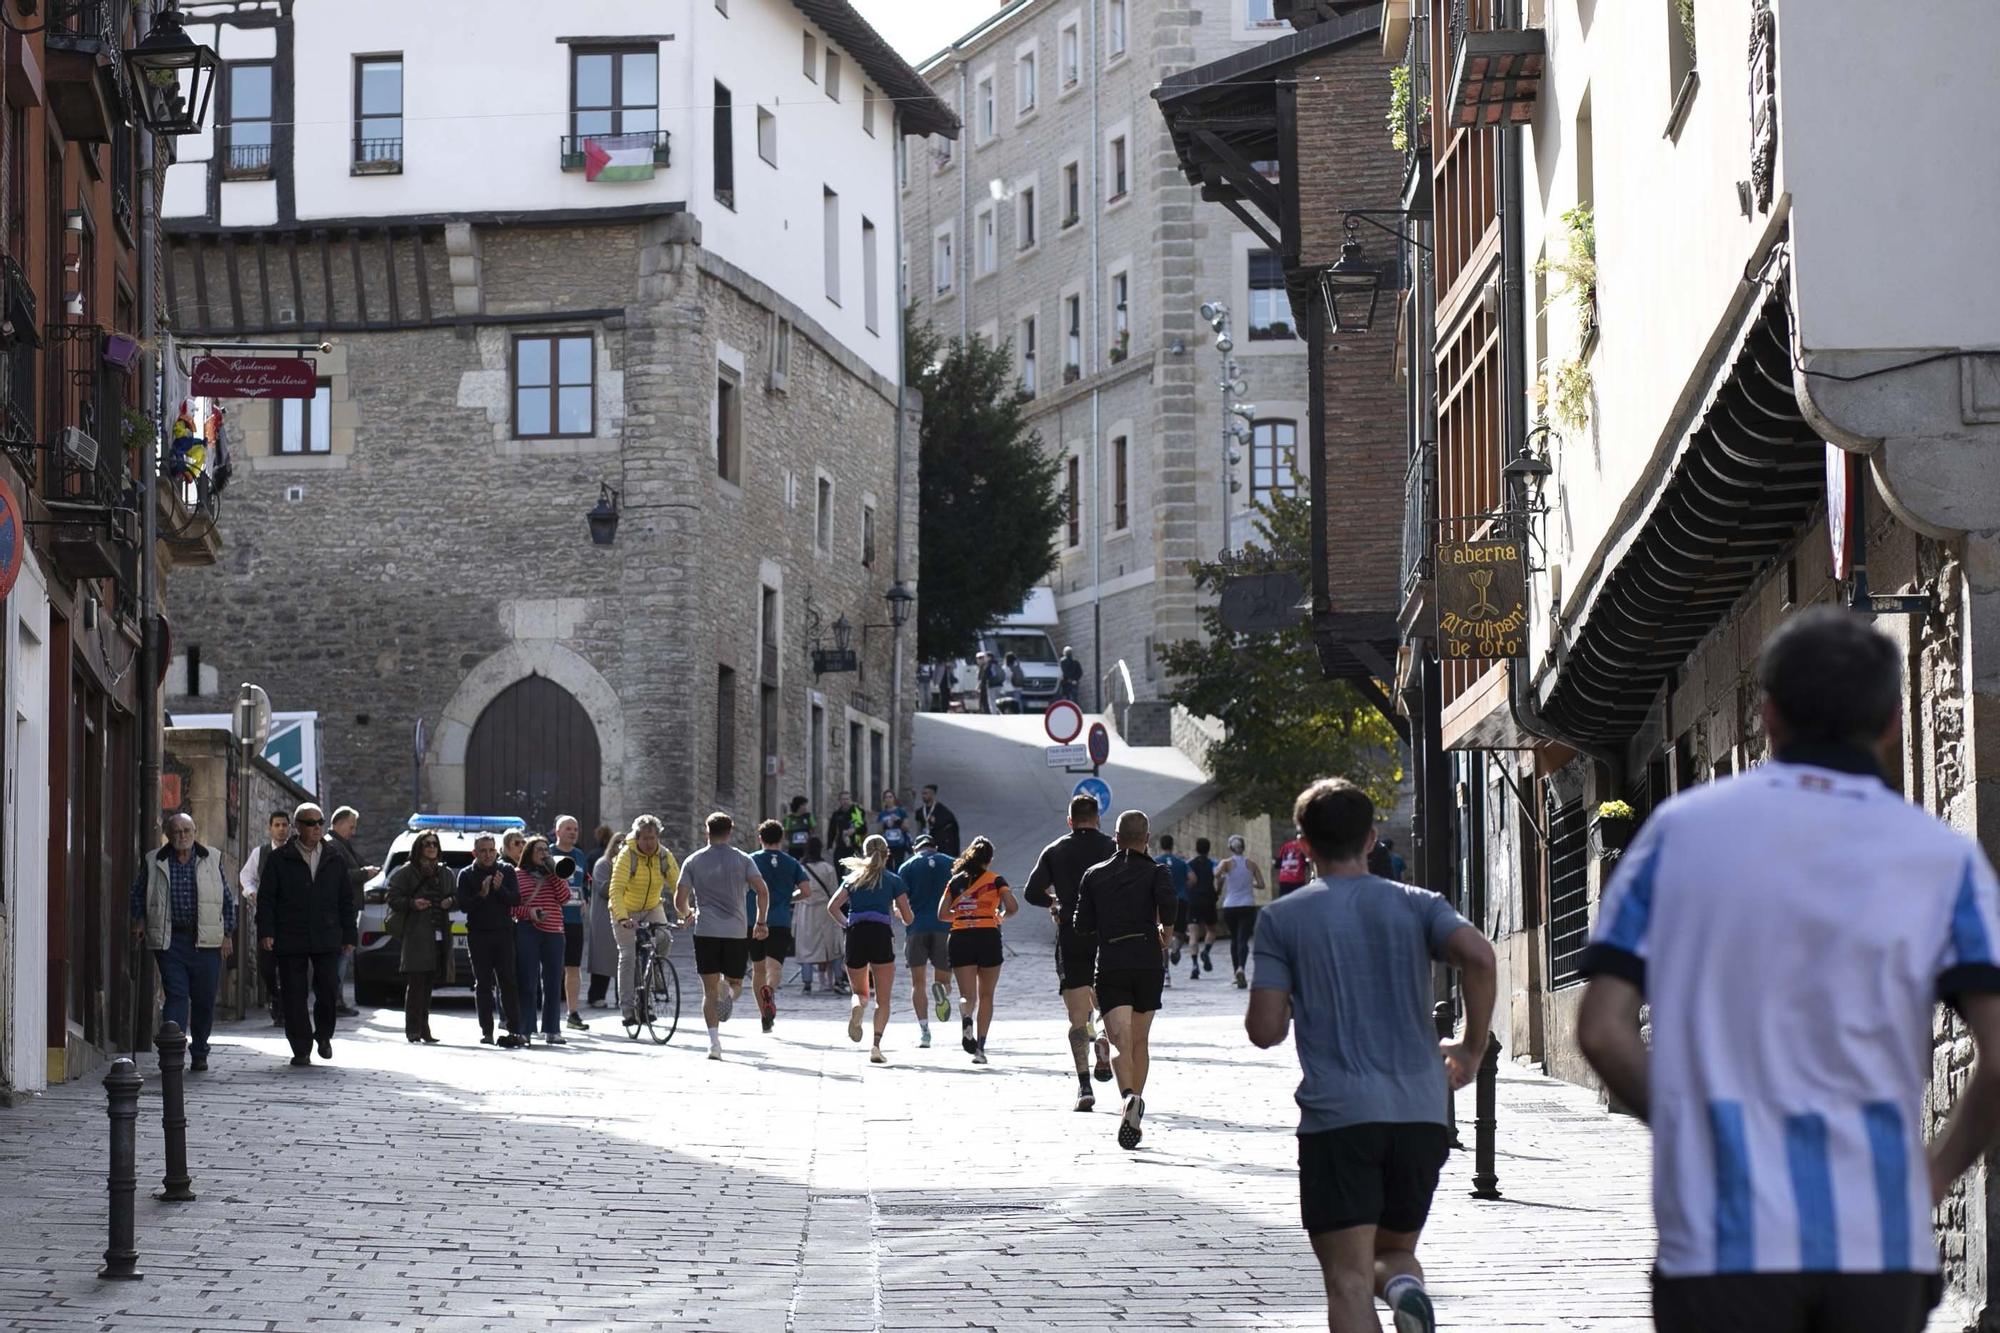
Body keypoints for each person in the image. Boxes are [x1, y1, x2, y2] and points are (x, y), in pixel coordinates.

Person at [1577, 608, 2000, 1333]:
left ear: (1767, 716)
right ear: (1895, 721)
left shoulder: (1679, 835)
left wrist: (1690, 1128)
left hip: (1720, 1243)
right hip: (1877, 1243)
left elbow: (1602, 1028)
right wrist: (1934, 1170)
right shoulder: (1940, 855)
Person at [1247, 778, 1495, 1333]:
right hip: (1421, 1115)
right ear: (1373, 838)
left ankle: (1395, 1289)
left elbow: (1265, 1031)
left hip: (1339, 1118)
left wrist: (1291, 993)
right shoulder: (1419, 904)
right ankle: (1405, 1287)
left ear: (1303, 844)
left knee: (1348, 1279)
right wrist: (1471, 1049)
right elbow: (1479, 956)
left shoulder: (1283, 920)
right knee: (1395, 1255)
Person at [1076, 810, 1178, 1149]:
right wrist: (1167, 932)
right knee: (1140, 1041)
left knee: (1120, 1042)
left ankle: (1129, 1097)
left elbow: (1082, 925)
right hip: (1147, 961)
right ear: (1146, 838)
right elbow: (1169, 904)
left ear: (1115, 837)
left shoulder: (1094, 874)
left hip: (1112, 962)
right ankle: (1134, 1103)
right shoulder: (1157, 872)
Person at [1025, 795, 1119, 1109]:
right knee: (1107, 1003)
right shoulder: (1111, 848)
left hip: (1071, 934)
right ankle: (1104, 1038)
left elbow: (1030, 892)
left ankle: (1084, 1087)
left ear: (1069, 820)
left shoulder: (1055, 850)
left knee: (1077, 1016)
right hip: (1106, 936)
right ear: (1097, 818)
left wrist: (1055, 903)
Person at [129, 813, 235, 1073]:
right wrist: (140, 920)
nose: (182, 836)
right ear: (168, 833)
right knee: (176, 994)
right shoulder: (154, 860)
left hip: (206, 941)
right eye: (176, 831)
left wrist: (227, 934)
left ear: (195, 831)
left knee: (204, 999)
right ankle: (172, 1052)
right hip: (170, 939)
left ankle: (200, 1051)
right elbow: (137, 892)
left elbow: (226, 897)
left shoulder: (212, 857)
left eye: (187, 830)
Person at [257, 803, 357, 1067]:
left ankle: (323, 1035)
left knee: (327, 988)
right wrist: (267, 931)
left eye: (320, 822)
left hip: (326, 933)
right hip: (291, 934)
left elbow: (346, 899)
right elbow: (267, 898)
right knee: (293, 993)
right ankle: (301, 1047)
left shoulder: (334, 857)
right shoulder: (280, 858)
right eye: (311, 823)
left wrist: (349, 935)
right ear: (298, 826)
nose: (316, 828)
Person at [674, 812, 770, 1061]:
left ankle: (714, 1044)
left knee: (708, 991)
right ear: (730, 832)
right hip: (736, 932)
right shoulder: (743, 859)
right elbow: (762, 891)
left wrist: (687, 914)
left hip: (705, 930)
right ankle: (728, 992)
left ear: (707, 831)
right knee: (735, 984)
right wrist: (761, 921)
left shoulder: (693, 861)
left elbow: (679, 899)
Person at [828, 835, 915, 1064]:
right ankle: (876, 1046)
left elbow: (833, 906)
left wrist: (847, 924)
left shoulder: (853, 878)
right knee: (883, 999)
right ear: (887, 854)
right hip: (880, 935)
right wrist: (898, 913)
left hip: (856, 934)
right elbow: (908, 917)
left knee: (860, 992)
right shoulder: (893, 880)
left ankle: (858, 1006)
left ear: (864, 853)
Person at [940, 836, 1018, 1065]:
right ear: (990, 860)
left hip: (960, 936)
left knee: (967, 995)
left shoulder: (955, 882)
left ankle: (966, 1018)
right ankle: (981, 1048)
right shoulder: (996, 880)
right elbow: (1012, 907)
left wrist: (964, 914)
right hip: (988, 936)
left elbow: (942, 914)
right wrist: (999, 916)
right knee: (986, 995)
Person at [608, 815, 680, 1029]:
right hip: (626, 908)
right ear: (637, 838)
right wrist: (622, 917)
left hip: (651, 906)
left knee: (665, 936)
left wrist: (685, 912)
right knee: (628, 956)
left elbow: (678, 886)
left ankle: (656, 977)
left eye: (653, 838)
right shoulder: (626, 855)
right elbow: (616, 889)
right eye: (645, 839)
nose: (649, 843)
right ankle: (628, 1009)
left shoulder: (664, 856)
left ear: (658, 837)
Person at [385, 829, 455, 1044]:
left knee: (428, 984)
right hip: (416, 933)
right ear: (419, 848)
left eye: (434, 844)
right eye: (427, 844)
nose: (432, 847)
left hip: (439, 934)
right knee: (416, 984)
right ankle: (413, 1030)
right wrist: (412, 903)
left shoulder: (444, 872)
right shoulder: (406, 872)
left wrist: (450, 901)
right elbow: (392, 897)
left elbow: (455, 895)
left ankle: (424, 1029)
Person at [457, 834, 525, 1048]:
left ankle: (514, 1030)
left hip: (503, 934)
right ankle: (487, 1031)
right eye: (483, 851)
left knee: (508, 983)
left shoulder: (505, 871)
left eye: (491, 850)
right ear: (474, 853)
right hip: (478, 935)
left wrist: (499, 889)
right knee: (484, 985)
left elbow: (516, 899)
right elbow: (464, 906)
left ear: (496, 851)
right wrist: (482, 894)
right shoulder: (466, 875)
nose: (487, 855)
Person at [511, 836, 572, 1046]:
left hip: (554, 932)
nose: (544, 853)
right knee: (528, 981)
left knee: (553, 982)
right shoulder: (517, 876)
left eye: (546, 850)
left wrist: (555, 874)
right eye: (539, 850)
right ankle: (526, 1029)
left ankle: (552, 1029)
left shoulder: (555, 874)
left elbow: (565, 898)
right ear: (529, 853)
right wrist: (530, 912)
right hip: (528, 930)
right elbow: (511, 907)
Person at [897, 833, 957, 1048]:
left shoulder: (907, 867)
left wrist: (902, 917)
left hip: (917, 928)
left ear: (915, 848)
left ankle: (924, 1031)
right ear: (935, 846)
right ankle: (942, 991)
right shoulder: (951, 863)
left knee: (918, 983)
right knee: (944, 980)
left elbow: (900, 904)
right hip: (944, 927)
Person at [750, 819, 809, 1033]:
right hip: (781, 921)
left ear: (760, 838)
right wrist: (787, 899)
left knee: (758, 969)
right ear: (782, 839)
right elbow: (806, 891)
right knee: (774, 967)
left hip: (754, 920)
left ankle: (764, 1017)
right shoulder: (792, 862)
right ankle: (770, 989)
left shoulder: (751, 860)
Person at [238, 808, 291, 1027]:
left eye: (284, 825)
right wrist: (252, 892)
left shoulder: (297, 852)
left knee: (289, 964)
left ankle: (286, 1007)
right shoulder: (260, 853)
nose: (280, 829)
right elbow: (246, 876)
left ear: (290, 827)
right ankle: (274, 997)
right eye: (276, 825)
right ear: (270, 828)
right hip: (267, 917)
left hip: (290, 919)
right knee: (267, 966)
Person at [324, 806, 378, 1017]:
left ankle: (335, 999)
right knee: (341, 955)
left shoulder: (342, 844)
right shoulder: (333, 845)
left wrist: (368, 870)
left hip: (347, 910)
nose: (353, 832)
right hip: (340, 912)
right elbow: (342, 875)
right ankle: (335, 1001)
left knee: (343, 955)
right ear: (338, 823)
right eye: (351, 826)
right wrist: (365, 873)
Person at [551, 815, 591, 1032]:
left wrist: (584, 897)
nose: (573, 832)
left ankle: (573, 1012)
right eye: (568, 828)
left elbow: (584, 881)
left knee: (573, 966)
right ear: (557, 832)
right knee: (550, 967)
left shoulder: (579, 856)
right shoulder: (547, 853)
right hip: (552, 919)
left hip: (574, 919)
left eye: (575, 829)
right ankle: (548, 1012)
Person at [793, 836, 845, 993]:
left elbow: (797, 889)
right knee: (831, 945)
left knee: (806, 946)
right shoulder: (828, 868)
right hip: (825, 910)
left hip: (805, 910)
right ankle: (837, 979)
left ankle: (807, 982)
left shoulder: (799, 868)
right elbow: (835, 891)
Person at [1218, 835, 1267, 988]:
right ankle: (1241, 968)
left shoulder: (1226, 863)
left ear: (1230, 848)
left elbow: (1216, 874)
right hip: (1247, 905)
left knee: (1234, 938)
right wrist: (1248, 882)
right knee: (1243, 939)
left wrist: (1222, 878)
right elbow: (1261, 885)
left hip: (1230, 906)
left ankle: (1235, 972)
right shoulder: (1251, 864)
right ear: (1243, 847)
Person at [584, 823, 618, 1009]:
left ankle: (626, 998)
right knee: (603, 958)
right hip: (604, 914)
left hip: (624, 915)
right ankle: (596, 995)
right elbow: (603, 888)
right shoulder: (602, 862)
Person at [1156, 834, 1192, 978]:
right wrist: (1183, 886)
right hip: (1180, 899)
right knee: (1179, 933)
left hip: (1162, 901)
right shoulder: (1181, 862)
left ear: (1161, 845)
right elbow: (1193, 879)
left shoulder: (1156, 862)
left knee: (1162, 934)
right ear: (1172, 845)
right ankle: (1176, 949)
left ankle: (1166, 971)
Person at [1186, 837, 1219, 979]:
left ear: (1196, 848)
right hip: (1209, 899)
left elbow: (1188, 880)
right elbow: (1220, 877)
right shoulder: (1213, 863)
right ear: (1209, 849)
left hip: (1194, 900)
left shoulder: (1190, 864)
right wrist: (1218, 891)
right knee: (1211, 930)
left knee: (1193, 933)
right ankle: (1206, 950)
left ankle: (1194, 965)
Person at [913, 784, 961, 856]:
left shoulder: (943, 811)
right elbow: (918, 828)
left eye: (926, 793)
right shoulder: (920, 811)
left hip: (940, 845)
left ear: (932, 794)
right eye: (922, 793)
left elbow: (952, 828)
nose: (923, 796)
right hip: (925, 844)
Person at [828, 791, 869, 862]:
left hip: (855, 846)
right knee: (839, 869)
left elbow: (864, 829)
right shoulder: (836, 814)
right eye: (843, 799)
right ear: (839, 801)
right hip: (840, 846)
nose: (845, 801)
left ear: (851, 800)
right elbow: (831, 831)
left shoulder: (857, 812)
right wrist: (829, 846)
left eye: (847, 799)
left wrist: (854, 830)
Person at [1275, 827, 1313, 899]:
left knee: (1284, 903)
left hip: (1284, 880)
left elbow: (1278, 864)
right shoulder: (1304, 847)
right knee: (1299, 903)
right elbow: (1308, 861)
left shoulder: (1285, 846)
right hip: (1297, 880)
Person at [878, 788, 912, 857]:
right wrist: (886, 825)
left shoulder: (901, 812)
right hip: (887, 845)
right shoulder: (882, 814)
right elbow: (879, 831)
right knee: (888, 865)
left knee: (899, 865)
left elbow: (907, 828)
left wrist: (898, 821)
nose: (888, 799)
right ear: (884, 800)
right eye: (886, 797)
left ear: (894, 798)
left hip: (900, 844)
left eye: (890, 797)